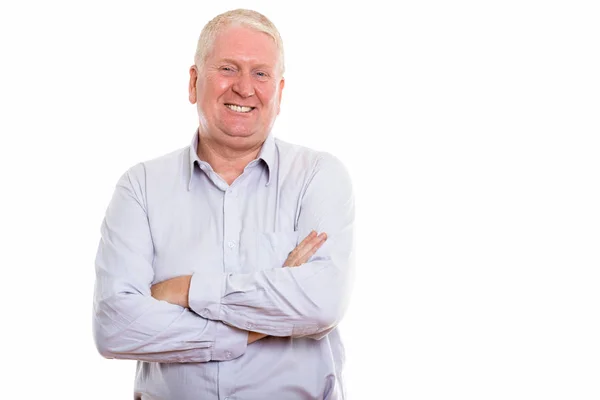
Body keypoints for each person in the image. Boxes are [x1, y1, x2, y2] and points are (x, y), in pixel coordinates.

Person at [93, 8, 355, 400]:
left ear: (279, 93)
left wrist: (186, 291)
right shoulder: (141, 187)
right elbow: (115, 326)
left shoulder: (318, 176)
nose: (244, 88)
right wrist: (259, 323)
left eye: (261, 74)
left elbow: (322, 302)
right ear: (194, 83)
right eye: (228, 69)